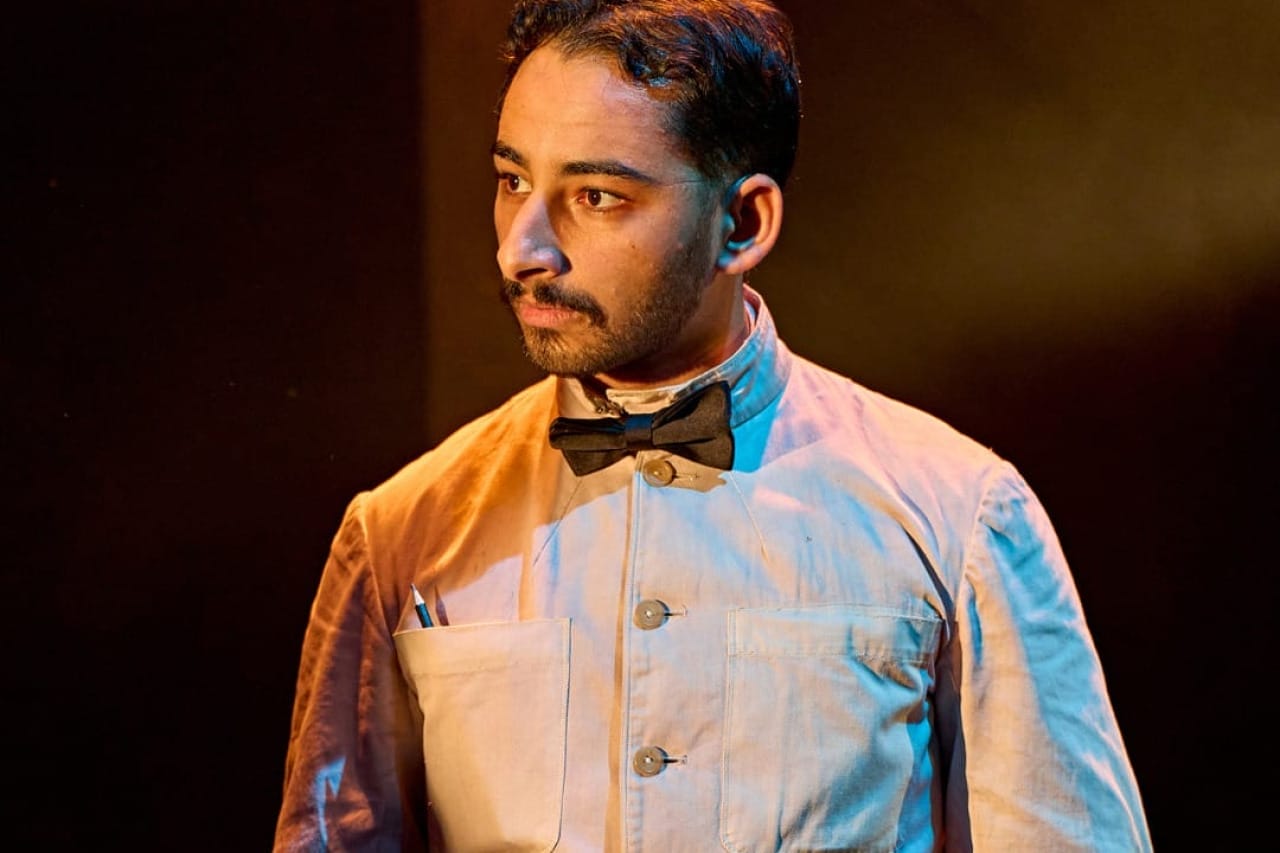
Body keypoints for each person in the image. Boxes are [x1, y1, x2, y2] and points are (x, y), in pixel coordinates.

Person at [273, 0, 1152, 849]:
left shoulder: (960, 515)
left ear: (742, 221)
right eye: (512, 181)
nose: (520, 248)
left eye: (597, 197)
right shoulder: (399, 534)